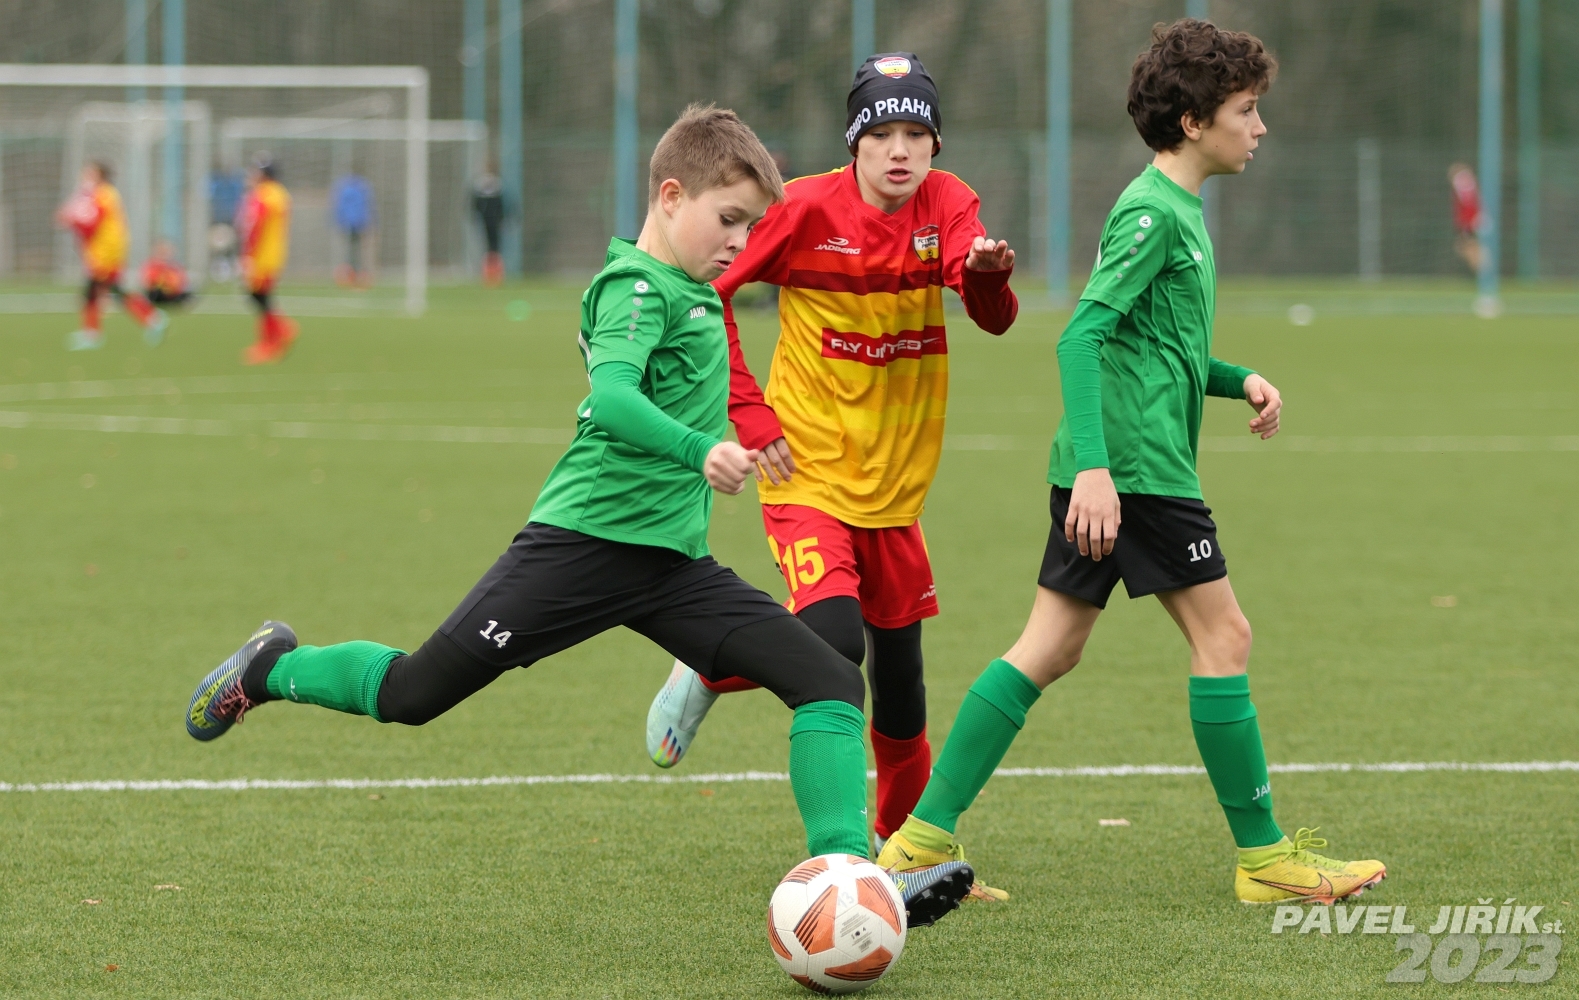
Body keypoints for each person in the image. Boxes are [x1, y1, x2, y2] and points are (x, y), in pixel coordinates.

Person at [182, 105, 975, 929]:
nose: (739, 242)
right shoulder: (634, 287)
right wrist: (700, 450)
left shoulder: (697, 293)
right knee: (414, 693)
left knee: (830, 679)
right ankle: (269, 670)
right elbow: (612, 397)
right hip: (578, 550)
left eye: (750, 226)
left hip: (673, 569)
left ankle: (850, 878)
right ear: (672, 196)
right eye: (728, 219)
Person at [875, 19, 1388, 906]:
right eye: (1245, 110)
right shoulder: (1154, 214)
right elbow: (1081, 336)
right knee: (1223, 639)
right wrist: (1098, 472)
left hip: (1113, 466)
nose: (1258, 127)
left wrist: (1236, 378)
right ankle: (1265, 860)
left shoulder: (1175, 209)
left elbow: (1159, 345)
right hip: (1134, 473)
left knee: (1047, 648)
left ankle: (916, 841)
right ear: (1193, 122)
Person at [642, 53, 1018, 900]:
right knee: (836, 644)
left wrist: (986, 276)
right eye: (881, 133)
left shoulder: (948, 203)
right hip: (804, 468)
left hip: (896, 486)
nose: (899, 149)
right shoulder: (804, 208)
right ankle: (712, 673)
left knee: (903, 684)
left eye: (915, 132)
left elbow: (990, 313)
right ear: (853, 141)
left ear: (935, 143)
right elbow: (706, 295)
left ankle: (907, 854)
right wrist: (750, 413)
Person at [54, 161, 168, 351]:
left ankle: (92, 334)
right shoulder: (97, 194)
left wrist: (70, 221)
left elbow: (91, 224)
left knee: (93, 290)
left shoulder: (104, 194)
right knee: (114, 290)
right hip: (103, 250)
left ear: (100, 176)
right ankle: (152, 318)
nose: (85, 178)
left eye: (89, 174)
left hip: (106, 252)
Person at [236, 154, 296, 365]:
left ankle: (273, 338)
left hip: (260, 256)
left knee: (259, 297)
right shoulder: (280, 194)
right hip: (274, 254)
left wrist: (247, 255)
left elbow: (254, 227)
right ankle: (280, 331)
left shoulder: (262, 195)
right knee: (262, 297)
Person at [331, 172, 375, 287]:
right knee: (355, 250)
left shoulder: (345, 188)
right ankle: (353, 273)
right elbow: (365, 207)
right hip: (357, 223)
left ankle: (353, 273)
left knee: (352, 250)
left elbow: (340, 207)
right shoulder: (362, 188)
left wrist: (339, 221)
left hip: (349, 224)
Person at [471, 167, 505, 286]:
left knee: (494, 247)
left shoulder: (497, 186)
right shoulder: (480, 186)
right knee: (488, 247)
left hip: (494, 222)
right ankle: (488, 273)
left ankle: (495, 274)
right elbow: (475, 205)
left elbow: (500, 206)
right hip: (485, 222)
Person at [1449, 162, 1482, 275]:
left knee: (1465, 246)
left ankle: (1481, 268)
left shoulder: (1461, 183)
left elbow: (1468, 205)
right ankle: (1480, 268)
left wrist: (1469, 221)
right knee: (1464, 246)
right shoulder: (1466, 184)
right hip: (1469, 221)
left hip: (1469, 222)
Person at [140, 239, 193, 308]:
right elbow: (148, 281)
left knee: (186, 294)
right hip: (158, 292)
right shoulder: (152, 264)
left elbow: (182, 281)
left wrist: (174, 286)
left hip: (173, 293)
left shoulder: (175, 265)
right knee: (154, 294)